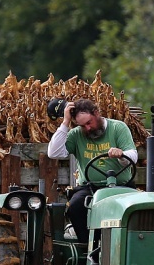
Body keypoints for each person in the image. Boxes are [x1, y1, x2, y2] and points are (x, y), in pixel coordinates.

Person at [47, 98, 137, 242]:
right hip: (90, 188)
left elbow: (133, 156)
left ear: (96, 113)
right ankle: (88, 247)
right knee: (75, 207)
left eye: (89, 123)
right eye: (82, 125)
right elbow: (54, 153)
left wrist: (121, 155)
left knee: (135, 209)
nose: (88, 128)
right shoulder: (77, 134)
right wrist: (65, 122)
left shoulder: (118, 128)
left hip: (121, 187)